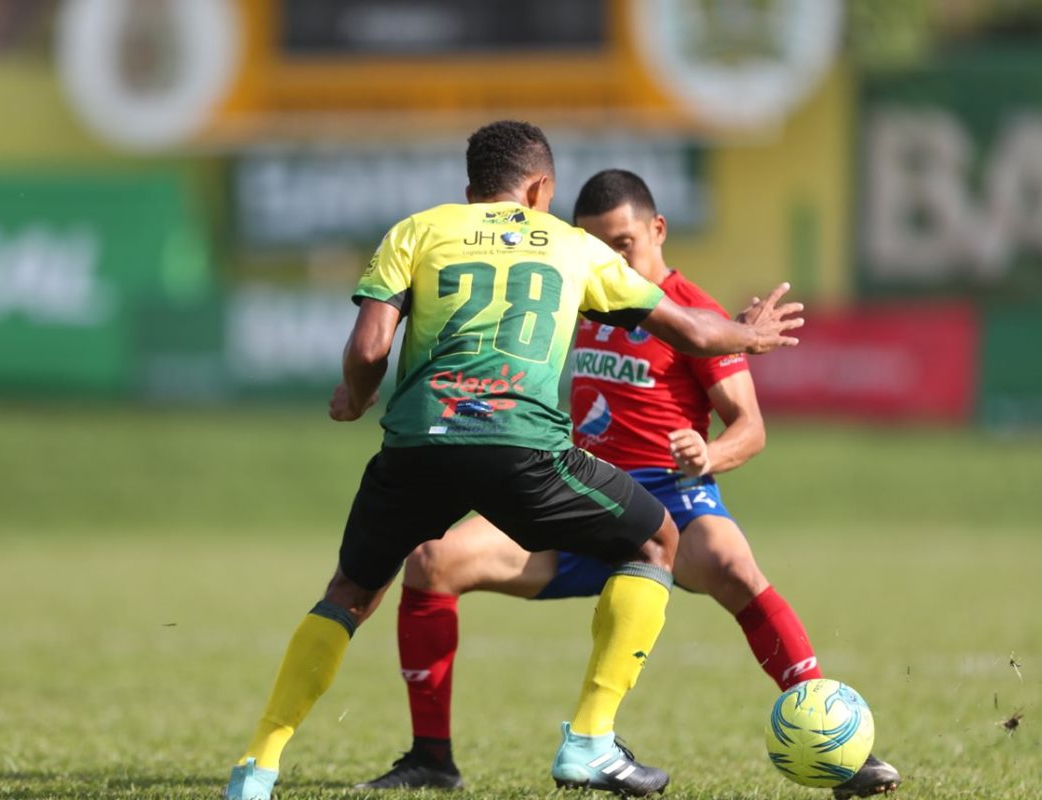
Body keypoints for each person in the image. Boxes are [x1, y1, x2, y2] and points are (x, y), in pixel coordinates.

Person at [224, 123, 803, 800]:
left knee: (348, 594)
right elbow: (694, 330)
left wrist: (355, 398)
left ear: (471, 188)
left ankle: (257, 769)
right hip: (520, 446)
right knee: (654, 541)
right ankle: (590, 741)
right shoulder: (570, 246)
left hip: (417, 444)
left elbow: (369, 349)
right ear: (540, 188)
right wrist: (750, 335)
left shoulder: (417, 231)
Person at [355, 169, 901, 800]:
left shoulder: (691, 312)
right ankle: (431, 758)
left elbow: (750, 427)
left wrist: (709, 454)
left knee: (733, 565)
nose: (610, 259)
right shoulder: (573, 291)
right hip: (575, 492)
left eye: (623, 244)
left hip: (669, 495)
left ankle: (839, 748)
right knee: (432, 562)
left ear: (657, 230)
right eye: (597, 245)